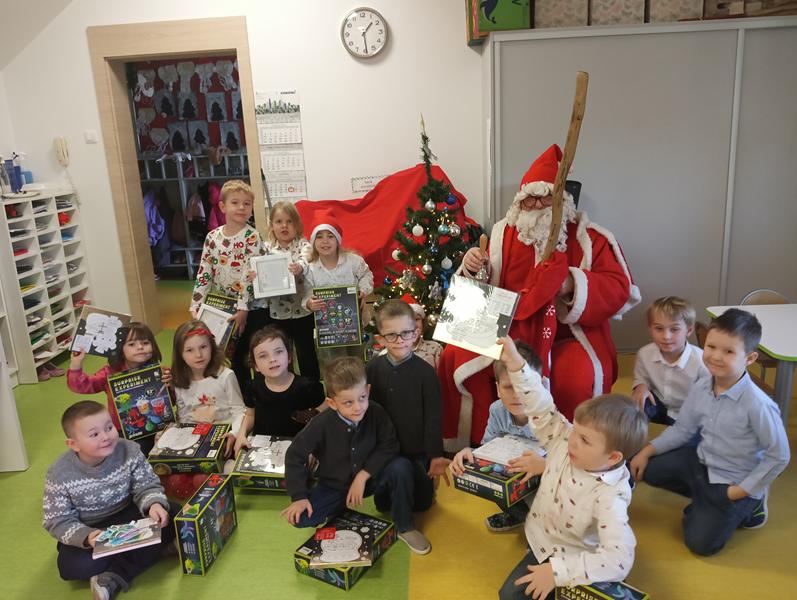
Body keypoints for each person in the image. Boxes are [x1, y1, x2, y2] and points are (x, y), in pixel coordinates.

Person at [438, 144, 640, 450]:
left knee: (576, 374)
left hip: (566, 335)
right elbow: (484, 288)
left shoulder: (589, 237)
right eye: (529, 199)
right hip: (508, 326)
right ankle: (482, 443)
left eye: (545, 198)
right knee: (457, 354)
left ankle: (569, 449)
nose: (536, 206)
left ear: (561, 200)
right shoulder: (502, 233)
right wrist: (473, 267)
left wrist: (571, 284)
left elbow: (620, 288)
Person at [496, 337, 647, 600]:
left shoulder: (610, 494)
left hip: (578, 559)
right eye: (575, 430)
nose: (572, 441)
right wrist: (518, 366)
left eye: (585, 440)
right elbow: (540, 405)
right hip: (543, 543)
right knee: (509, 595)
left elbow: (619, 559)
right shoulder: (564, 439)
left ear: (612, 457)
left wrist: (558, 573)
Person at [630, 309, 790, 556]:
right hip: (703, 461)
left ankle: (752, 505)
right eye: (711, 347)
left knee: (700, 544)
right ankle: (707, 502)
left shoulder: (758, 405)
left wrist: (741, 491)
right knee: (647, 467)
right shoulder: (703, 385)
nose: (715, 356)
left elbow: (779, 455)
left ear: (749, 358)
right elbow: (683, 429)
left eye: (728, 351)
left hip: (734, 481)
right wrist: (646, 451)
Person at [281, 357, 433, 555]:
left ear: (367, 391)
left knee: (401, 466)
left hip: (370, 480)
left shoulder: (376, 412)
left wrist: (363, 476)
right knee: (300, 518)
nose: (358, 407)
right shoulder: (320, 424)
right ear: (332, 403)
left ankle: (405, 526)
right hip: (334, 486)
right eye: (348, 402)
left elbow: (389, 445)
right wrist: (299, 496)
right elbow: (294, 455)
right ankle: (338, 512)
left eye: (362, 398)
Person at [43, 400, 177, 600]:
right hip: (92, 529)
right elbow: (57, 520)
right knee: (72, 566)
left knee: (174, 515)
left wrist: (154, 504)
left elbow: (146, 484)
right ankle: (152, 550)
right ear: (73, 444)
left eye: (109, 427)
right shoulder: (58, 474)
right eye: (94, 434)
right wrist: (87, 536)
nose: (106, 437)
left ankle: (113, 576)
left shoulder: (130, 450)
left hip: (129, 515)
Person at [366, 299, 448, 552]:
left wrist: (435, 455)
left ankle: (408, 494)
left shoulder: (425, 373)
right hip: (384, 454)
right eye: (391, 335)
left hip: (417, 452)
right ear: (380, 339)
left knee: (423, 503)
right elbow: (364, 410)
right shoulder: (373, 368)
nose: (400, 340)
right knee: (387, 496)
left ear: (416, 333)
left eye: (406, 333)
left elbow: (433, 416)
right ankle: (404, 526)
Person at [450, 340, 546, 533]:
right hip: (515, 476)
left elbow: (572, 466)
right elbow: (488, 448)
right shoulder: (497, 410)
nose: (517, 394)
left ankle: (543, 531)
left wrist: (545, 466)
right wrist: (469, 453)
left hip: (548, 482)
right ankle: (520, 516)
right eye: (509, 387)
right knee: (493, 480)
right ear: (498, 389)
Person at [189, 179, 268, 392]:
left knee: (258, 354)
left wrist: (243, 308)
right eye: (235, 202)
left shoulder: (252, 236)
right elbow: (204, 272)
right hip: (225, 309)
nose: (241, 207)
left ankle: (262, 398)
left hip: (253, 309)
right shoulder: (212, 237)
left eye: (247, 204)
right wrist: (196, 305)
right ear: (222, 206)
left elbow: (249, 275)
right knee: (236, 358)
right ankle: (243, 401)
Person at [67, 322, 168, 454]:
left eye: (145, 343)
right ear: (120, 349)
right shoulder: (110, 373)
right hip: (124, 430)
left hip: (158, 424)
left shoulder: (160, 371)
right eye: (131, 344)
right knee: (132, 456)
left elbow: (172, 400)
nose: (140, 347)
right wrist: (76, 364)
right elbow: (82, 386)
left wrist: (171, 385)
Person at [233, 326, 326, 454]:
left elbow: (327, 414)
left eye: (278, 352)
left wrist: (314, 445)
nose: (272, 359)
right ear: (255, 366)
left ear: (289, 357)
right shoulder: (253, 387)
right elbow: (250, 415)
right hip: (263, 449)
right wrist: (241, 434)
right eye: (263, 356)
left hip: (300, 449)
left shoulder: (307, 387)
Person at [302, 214, 374, 368]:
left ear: (338, 240)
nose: (325, 241)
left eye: (330, 236)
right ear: (313, 241)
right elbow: (307, 293)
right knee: (334, 365)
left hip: (356, 324)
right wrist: (309, 303)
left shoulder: (353, 261)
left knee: (357, 361)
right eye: (319, 237)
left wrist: (362, 290)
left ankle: (358, 383)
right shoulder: (310, 269)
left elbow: (366, 275)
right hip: (328, 329)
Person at [261, 201, 320, 380]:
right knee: (281, 352)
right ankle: (288, 388)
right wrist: (256, 274)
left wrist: (299, 267)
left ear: (297, 224)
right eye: (279, 222)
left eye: (289, 221)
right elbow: (260, 271)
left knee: (306, 352)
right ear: (272, 225)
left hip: (302, 310)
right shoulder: (266, 249)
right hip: (277, 312)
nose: (284, 226)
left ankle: (312, 389)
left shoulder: (303, 244)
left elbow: (305, 260)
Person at [170, 319, 246, 459]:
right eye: (190, 350)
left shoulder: (226, 376)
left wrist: (234, 433)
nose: (198, 355)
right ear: (180, 354)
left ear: (211, 346)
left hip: (226, 437)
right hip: (195, 440)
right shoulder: (179, 380)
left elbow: (239, 410)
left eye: (203, 347)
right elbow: (184, 416)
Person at [632, 296, 709, 424]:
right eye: (659, 328)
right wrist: (641, 387)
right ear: (650, 328)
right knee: (635, 405)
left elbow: (711, 395)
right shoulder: (644, 354)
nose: (666, 336)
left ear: (689, 330)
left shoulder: (701, 360)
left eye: (674, 329)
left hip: (689, 413)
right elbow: (641, 378)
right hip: (659, 407)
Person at [379, 293, 443, 369]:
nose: (413, 324)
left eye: (416, 319)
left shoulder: (435, 348)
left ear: (422, 322)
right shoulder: (386, 355)